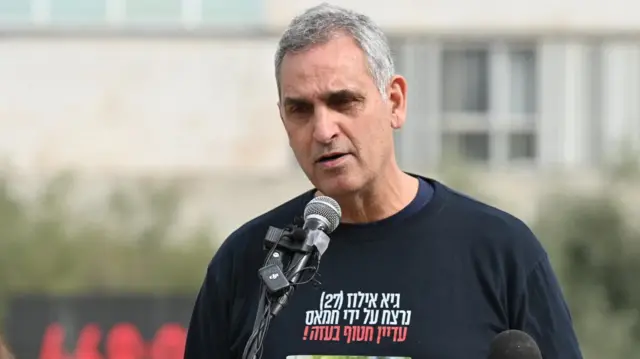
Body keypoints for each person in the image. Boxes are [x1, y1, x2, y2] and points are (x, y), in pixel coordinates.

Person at [184, 3, 584, 359]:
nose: (324, 129)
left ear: (394, 102)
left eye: (344, 101)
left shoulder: (501, 252)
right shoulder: (247, 261)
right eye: (300, 110)